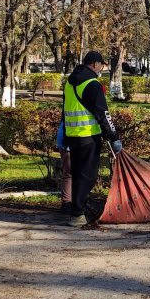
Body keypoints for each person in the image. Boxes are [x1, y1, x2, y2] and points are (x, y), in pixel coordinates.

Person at [63, 50, 121, 226]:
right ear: (95, 64)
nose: (102, 68)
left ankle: (77, 209)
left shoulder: (70, 82)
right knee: (87, 176)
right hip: (89, 136)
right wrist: (113, 137)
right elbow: (103, 113)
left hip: (73, 135)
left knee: (78, 174)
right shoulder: (92, 84)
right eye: (101, 65)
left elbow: (64, 109)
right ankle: (77, 214)